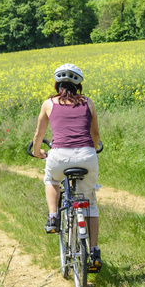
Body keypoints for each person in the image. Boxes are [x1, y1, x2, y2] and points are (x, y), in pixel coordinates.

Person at [32, 63, 102, 271]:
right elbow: (95, 134)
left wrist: (37, 152)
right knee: (89, 203)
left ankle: (53, 216)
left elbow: (39, 134)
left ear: (57, 84)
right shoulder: (88, 103)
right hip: (87, 156)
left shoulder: (48, 104)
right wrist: (93, 148)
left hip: (59, 155)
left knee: (52, 180)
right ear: (78, 86)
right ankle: (94, 251)